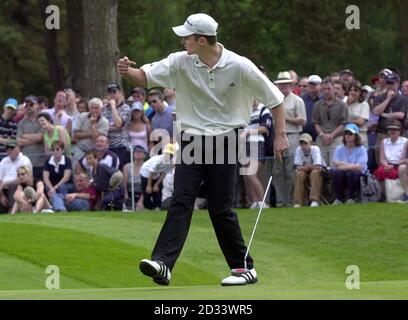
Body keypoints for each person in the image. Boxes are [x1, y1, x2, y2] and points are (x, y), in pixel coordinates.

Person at [117, 13, 288, 286]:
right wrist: (126, 71)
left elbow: (276, 100)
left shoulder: (240, 66)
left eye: (187, 36)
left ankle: (243, 268)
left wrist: (280, 135)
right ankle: (162, 263)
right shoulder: (180, 61)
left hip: (226, 140)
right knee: (181, 199)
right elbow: (144, 77)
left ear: (202, 40)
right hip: (190, 140)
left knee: (220, 208)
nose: (182, 40)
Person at [241, 100, 272, 209]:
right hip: (245, 144)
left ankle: (262, 201)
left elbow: (264, 128)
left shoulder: (263, 110)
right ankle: (255, 201)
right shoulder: (245, 110)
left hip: (257, 143)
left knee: (251, 174)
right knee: (246, 174)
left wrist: (248, 132)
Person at [313, 77, 348, 167]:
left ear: (333, 89)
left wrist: (331, 135)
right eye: (324, 89)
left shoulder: (341, 105)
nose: (326, 91)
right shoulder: (318, 105)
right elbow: (315, 122)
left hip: (336, 138)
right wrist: (322, 135)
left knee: (334, 166)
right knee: (320, 166)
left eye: (328, 89)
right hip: (321, 138)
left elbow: (343, 123)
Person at [331, 124, 368, 205]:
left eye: (350, 133)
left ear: (356, 136)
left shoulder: (362, 149)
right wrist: (352, 165)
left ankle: (350, 198)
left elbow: (360, 167)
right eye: (346, 133)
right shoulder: (339, 148)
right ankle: (338, 199)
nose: (347, 135)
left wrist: (343, 164)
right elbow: (336, 164)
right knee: (337, 172)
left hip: (358, 176)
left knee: (352, 173)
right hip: (343, 173)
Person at [373, 120, 408, 200]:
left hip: (400, 165)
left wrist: (395, 165)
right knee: (379, 171)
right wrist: (386, 165)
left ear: (400, 131)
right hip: (387, 165)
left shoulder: (406, 141)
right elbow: (382, 158)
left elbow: (405, 159)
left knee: (398, 170)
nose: (392, 131)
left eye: (395, 129)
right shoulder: (384, 141)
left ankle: (399, 195)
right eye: (390, 129)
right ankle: (381, 195)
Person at [293, 133, 327, 208]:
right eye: (301, 143)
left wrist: (305, 166)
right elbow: (298, 167)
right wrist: (310, 167)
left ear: (311, 143)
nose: (303, 146)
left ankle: (314, 200)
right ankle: (298, 202)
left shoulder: (315, 149)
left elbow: (318, 166)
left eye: (305, 143)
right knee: (299, 174)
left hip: (321, 172)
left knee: (314, 173)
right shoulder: (298, 150)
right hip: (307, 171)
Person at [16, 95, 46, 180]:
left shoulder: (42, 120)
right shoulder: (21, 123)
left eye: (31, 104)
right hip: (25, 163)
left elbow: (41, 137)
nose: (28, 107)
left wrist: (24, 135)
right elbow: (19, 141)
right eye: (26, 105)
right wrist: (36, 140)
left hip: (40, 162)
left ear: (37, 105)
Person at [103, 83, 131, 168]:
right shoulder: (104, 109)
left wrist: (113, 107)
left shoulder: (126, 108)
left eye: (114, 92)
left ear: (120, 93)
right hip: (107, 146)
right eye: (110, 92)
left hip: (121, 146)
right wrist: (112, 128)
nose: (112, 95)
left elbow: (119, 124)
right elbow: (101, 127)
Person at [0, 138, 32, 213]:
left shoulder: (24, 160)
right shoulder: (4, 161)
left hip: (19, 187)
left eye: (12, 148)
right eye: (7, 148)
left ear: (18, 148)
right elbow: (0, 180)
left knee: (16, 186)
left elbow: (23, 179)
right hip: (3, 190)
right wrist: (1, 196)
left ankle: (13, 209)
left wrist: (6, 183)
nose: (9, 150)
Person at [139, 143, 175, 210]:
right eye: (167, 154)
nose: (169, 156)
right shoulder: (157, 160)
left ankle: (157, 207)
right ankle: (148, 208)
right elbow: (151, 171)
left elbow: (164, 173)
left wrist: (156, 185)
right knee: (147, 193)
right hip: (146, 173)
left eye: (171, 155)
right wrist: (149, 185)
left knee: (157, 191)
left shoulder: (171, 163)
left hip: (156, 174)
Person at [73, 97, 110, 162]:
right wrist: (92, 134)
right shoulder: (82, 116)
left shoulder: (104, 122)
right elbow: (75, 135)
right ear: (89, 108)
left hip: (95, 152)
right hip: (80, 149)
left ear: (101, 109)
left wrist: (93, 125)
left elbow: (96, 139)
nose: (94, 110)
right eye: (92, 108)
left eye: (96, 108)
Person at [43, 141, 73, 212]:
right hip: (52, 185)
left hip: (66, 184)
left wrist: (55, 187)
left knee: (62, 187)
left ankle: (60, 207)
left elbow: (66, 177)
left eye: (57, 149)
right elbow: (45, 177)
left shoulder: (67, 160)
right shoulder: (48, 161)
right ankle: (59, 208)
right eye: (53, 149)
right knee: (47, 188)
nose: (55, 151)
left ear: (62, 150)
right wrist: (51, 188)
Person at [346, 81, 370, 148]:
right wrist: (347, 104)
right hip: (347, 137)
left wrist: (347, 121)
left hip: (360, 136)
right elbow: (340, 117)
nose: (352, 92)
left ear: (360, 93)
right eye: (351, 90)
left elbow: (361, 122)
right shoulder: (345, 103)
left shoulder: (364, 104)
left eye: (355, 90)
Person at [122, 145, 146, 211]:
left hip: (143, 195)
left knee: (139, 209)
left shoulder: (147, 166)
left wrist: (141, 201)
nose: (137, 153)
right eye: (135, 151)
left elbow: (146, 186)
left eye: (140, 152)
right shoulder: (127, 167)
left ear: (144, 155)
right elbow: (124, 183)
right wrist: (125, 195)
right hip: (130, 194)